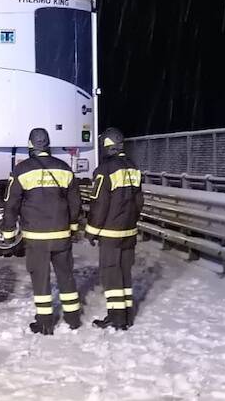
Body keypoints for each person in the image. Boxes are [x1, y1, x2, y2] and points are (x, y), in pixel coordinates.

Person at [1, 128, 82, 335]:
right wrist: (72, 226)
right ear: (48, 144)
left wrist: (9, 231)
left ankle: (45, 323)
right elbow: (75, 201)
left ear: (30, 145)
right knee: (66, 276)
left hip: (36, 238)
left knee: (41, 279)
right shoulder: (64, 168)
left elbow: (12, 204)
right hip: (61, 235)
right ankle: (73, 319)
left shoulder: (22, 170)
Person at [86, 127, 144, 330]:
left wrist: (92, 230)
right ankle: (127, 315)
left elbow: (99, 204)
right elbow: (139, 201)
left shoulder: (104, 170)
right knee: (125, 272)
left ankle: (117, 318)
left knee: (111, 274)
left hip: (111, 233)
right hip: (129, 231)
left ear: (105, 146)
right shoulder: (133, 167)